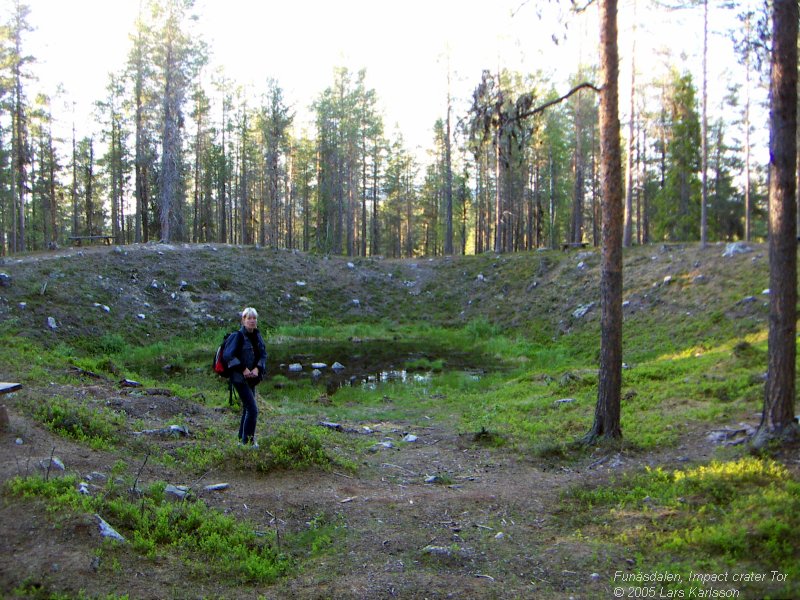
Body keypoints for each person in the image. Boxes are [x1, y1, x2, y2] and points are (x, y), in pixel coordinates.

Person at [222, 307, 267, 446]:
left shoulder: (257, 335)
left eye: (254, 318)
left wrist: (258, 368)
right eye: (249, 318)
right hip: (239, 379)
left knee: (248, 408)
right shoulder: (238, 336)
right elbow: (228, 355)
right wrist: (243, 369)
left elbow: (263, 354)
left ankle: (241, 440)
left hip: (252, 379)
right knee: (253, 410)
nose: (252, 321)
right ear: (243, 320)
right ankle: (248, 443)